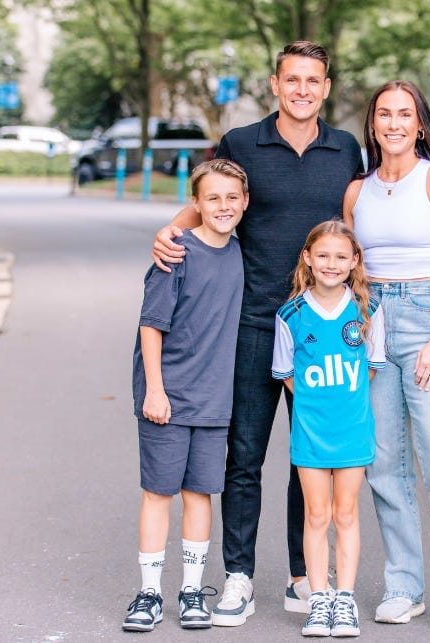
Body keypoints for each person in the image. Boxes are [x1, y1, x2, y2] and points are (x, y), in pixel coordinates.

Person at [151, 41, 363, 626]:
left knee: (308, 458)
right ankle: (238, 576)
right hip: (251, 324)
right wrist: (170, 231)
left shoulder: (346, 148)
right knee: (242, 457)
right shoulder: (242, 143)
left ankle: (302, 576)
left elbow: (362, 221)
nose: (302, 90)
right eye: (292, 79)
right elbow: (212, 199)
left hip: (318, 330)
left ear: (326, 87)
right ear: (275, 84)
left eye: (313, 80)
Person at [342, 80, 430, 635]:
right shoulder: (357, 192)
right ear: (372, 124)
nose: (394, 123)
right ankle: (404, 586)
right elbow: (349, 267)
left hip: (428, 320)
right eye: (384, 114)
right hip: (371, 324)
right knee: (383, 464)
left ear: (420, 124)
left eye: (405, 114)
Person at [123, 159, 248, 632]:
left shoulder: (238, 253)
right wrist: (155, 390)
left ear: (245, 203)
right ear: (195, 203)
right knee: (159, 492)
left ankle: (192, 590)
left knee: (200, 493)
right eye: (212, 197)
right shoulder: (175, 254)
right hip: (168, 397)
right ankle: (149, 593)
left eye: (232, 197)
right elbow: (150, 326)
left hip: (214, 400)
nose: (223, 206)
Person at [271, 221, 385, 637]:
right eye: (322, 255)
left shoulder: (368, 311)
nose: (331, 264)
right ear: (308, 258)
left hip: (352, 429)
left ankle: (345, 600)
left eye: (340, 256)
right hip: (311, 432)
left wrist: (343, 401)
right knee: (316, 514)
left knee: (346, 512)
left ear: (354, 261)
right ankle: (319, 600)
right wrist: (316, 403)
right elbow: (287, 373)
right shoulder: (291, 315)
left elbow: (371, 367)